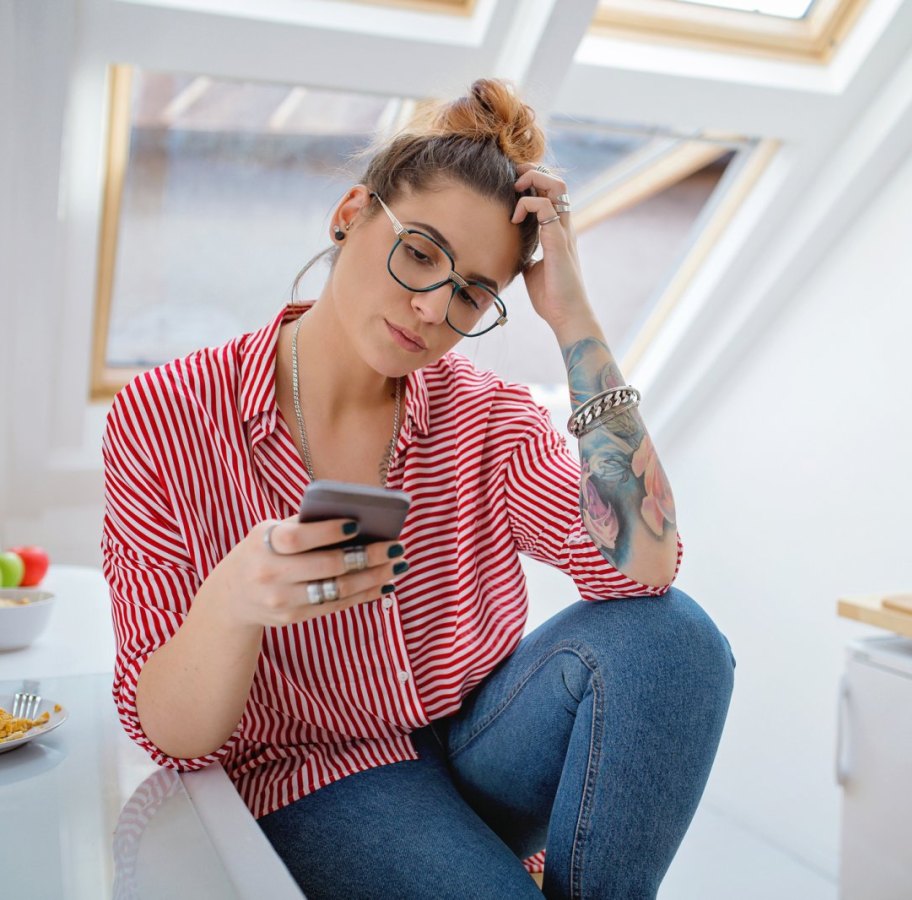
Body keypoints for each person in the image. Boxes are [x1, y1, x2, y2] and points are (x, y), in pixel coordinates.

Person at [101, 78, 735, 899]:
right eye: (421, 252)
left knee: (675, 639)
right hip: (317, 777)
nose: (434, 307)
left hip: (476, 745)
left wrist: (575, 320)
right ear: (350, 214)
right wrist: (233, 603)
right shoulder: (169, 414)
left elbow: (643, 567)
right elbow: (175, 739)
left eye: (473, 292)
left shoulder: (487, 416)